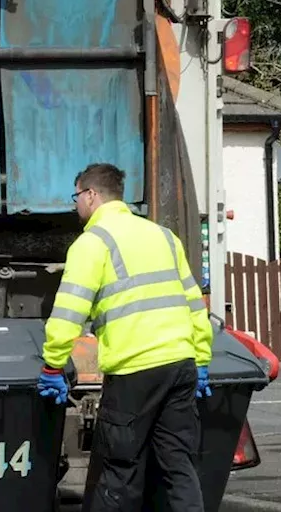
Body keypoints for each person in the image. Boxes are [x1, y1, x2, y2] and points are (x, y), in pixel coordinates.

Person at [37, 163, 214, 512]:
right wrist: (202, 357)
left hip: (135, 371)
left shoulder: (92, 242)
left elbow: (68, 312)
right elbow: (195, 304)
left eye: (77, 197)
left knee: (119, 470)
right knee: (179, 466)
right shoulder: (164, 236)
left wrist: (53, 365)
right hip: (180, 366)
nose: (76, 206)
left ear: (91, 195)